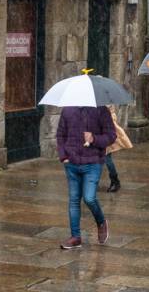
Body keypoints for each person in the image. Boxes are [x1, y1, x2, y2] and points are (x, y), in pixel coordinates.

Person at [56, 105, 117, 249]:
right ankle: (75, 237)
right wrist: (63, 156)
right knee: (74, 199)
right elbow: (60, 135)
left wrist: (94, 138)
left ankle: (101, 222)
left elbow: (111, 136)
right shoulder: (67, 110)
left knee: (89, 198)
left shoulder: (101, 110)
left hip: (93, 162)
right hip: (71, 163)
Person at [104, 106, 133, 193]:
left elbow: (112, 115)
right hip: (91, 134)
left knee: (107, 159)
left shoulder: (105, 98)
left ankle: (115, 181)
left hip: (104, 134)